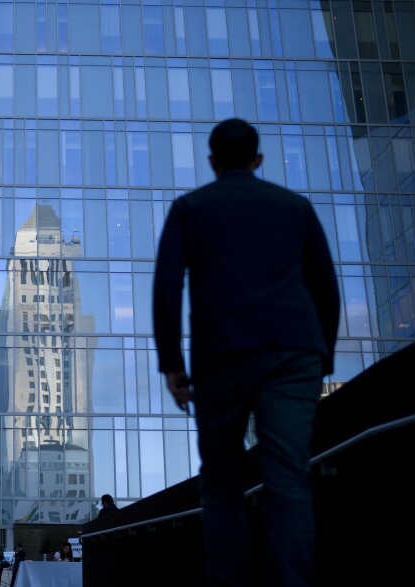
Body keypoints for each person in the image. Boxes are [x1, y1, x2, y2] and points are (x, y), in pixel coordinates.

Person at [152, 118, 340, 587]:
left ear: (212, 162)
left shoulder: (189, 209)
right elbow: (325, 287)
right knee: (288, 479)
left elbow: (167, 288)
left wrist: (173, 365)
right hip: (294, 353)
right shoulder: (295, 207)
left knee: (221, 483)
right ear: (258, 160)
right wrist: (323, 359)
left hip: (222, 357)